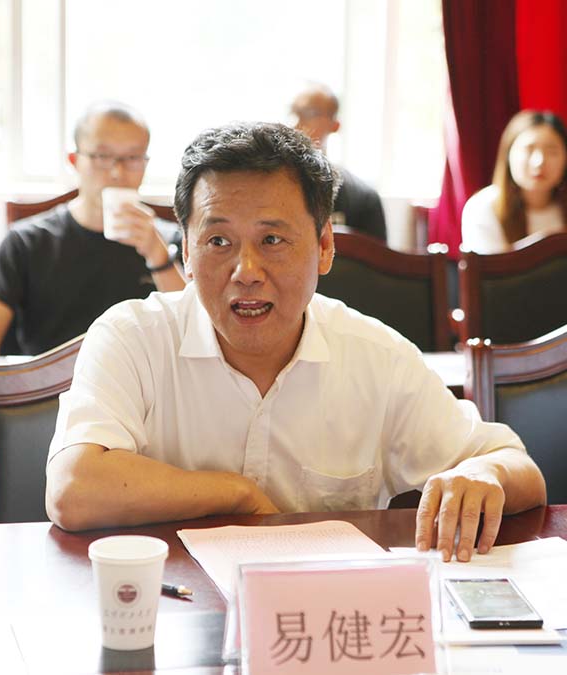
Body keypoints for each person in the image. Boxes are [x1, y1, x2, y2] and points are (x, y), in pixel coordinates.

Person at [46, 122, 545, 562]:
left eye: (272, 240)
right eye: (218, 241)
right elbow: (73, 488)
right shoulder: (133, 338)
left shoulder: (376, 357)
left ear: (324, 246)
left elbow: (518, 468)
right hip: (174, 610)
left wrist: (488, 475)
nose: (246, 271)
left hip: (322, 619)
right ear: (187, 253)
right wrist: (236, 494)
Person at [0, 101, 185, 357]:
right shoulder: (28, 242)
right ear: (74, 160)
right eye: (102, 157)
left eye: (133, 158)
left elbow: (196, 329)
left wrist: (158, 256)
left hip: (143, 381)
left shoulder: (170, 240)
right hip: (47, 380)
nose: (117, 171)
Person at [290, 82, 387, 241]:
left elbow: (378, 256)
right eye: (294, 113)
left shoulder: (364, 199)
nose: (296, 123)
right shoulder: (274, 192)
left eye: (309, 113)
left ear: (335, 125)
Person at [462, 110, 567, 254]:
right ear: (508, 155)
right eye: (528, 149)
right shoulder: (483, 207)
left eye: (552, 151)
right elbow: (489, 267)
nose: (539, 162)